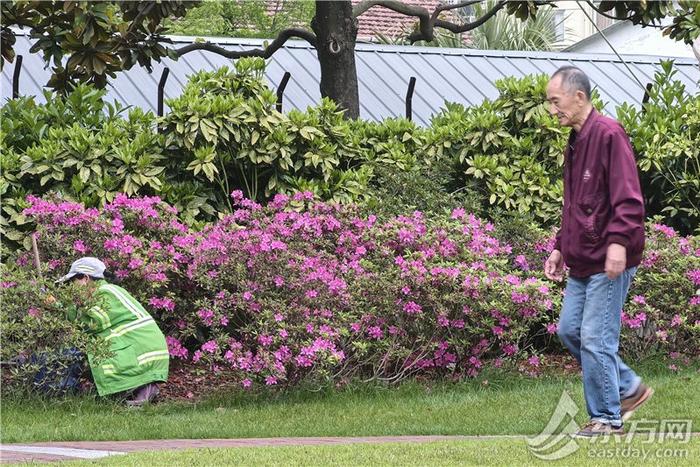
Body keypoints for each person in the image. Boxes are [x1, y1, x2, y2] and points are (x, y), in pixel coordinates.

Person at [544, 66, 653, 437]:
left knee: (595, 337)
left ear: (579, 97)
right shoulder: (574, 142)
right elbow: (575, 204)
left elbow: (629, 199)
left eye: (555, 102)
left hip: (610, 259)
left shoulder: (609, 134)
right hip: (582, 259)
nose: (551, 110)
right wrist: (559, 247)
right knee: (569, 331)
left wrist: (619, 245)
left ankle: (606, 418)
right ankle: (627, 387)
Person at [57, 257, 169, 406]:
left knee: (80, 355)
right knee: (88, 353)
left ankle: (143, 389)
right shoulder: (105, 292)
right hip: (137, 348)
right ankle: (136, 392)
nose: (71, 287)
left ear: (85, 278)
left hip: (141, 351)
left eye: (72, 282)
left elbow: (91, 324)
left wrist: (59, 307)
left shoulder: (106, 292)